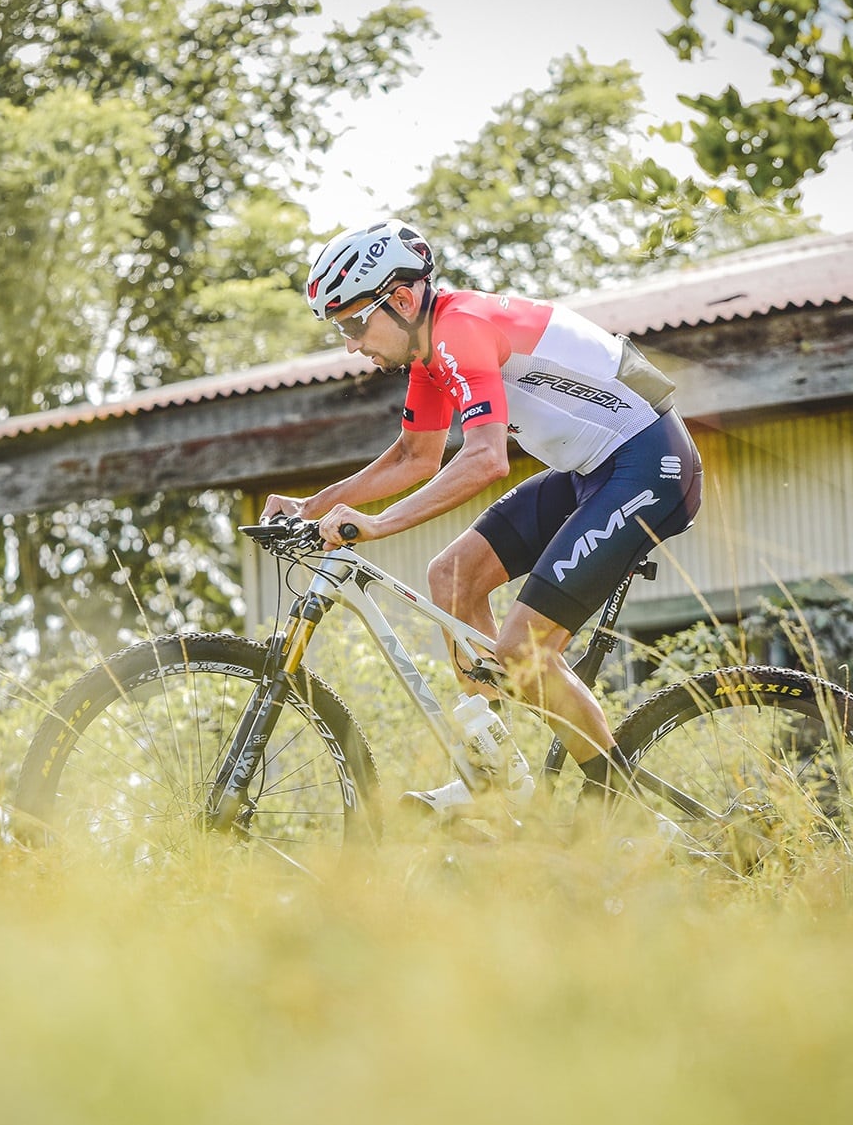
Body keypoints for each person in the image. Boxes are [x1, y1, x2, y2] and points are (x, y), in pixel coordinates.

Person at [262, 218, 703, 821]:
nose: (351, 344)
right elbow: (414, 457)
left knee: (524, 653)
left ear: (402, 298)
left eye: (354, 322)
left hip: (649, 465)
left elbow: (486, 458)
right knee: (452, 576)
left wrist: (378, 524)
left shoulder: (460, 330)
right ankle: (496, 780)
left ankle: (625, 819)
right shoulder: (431, 353)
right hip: (592, 470)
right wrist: (311, 507)